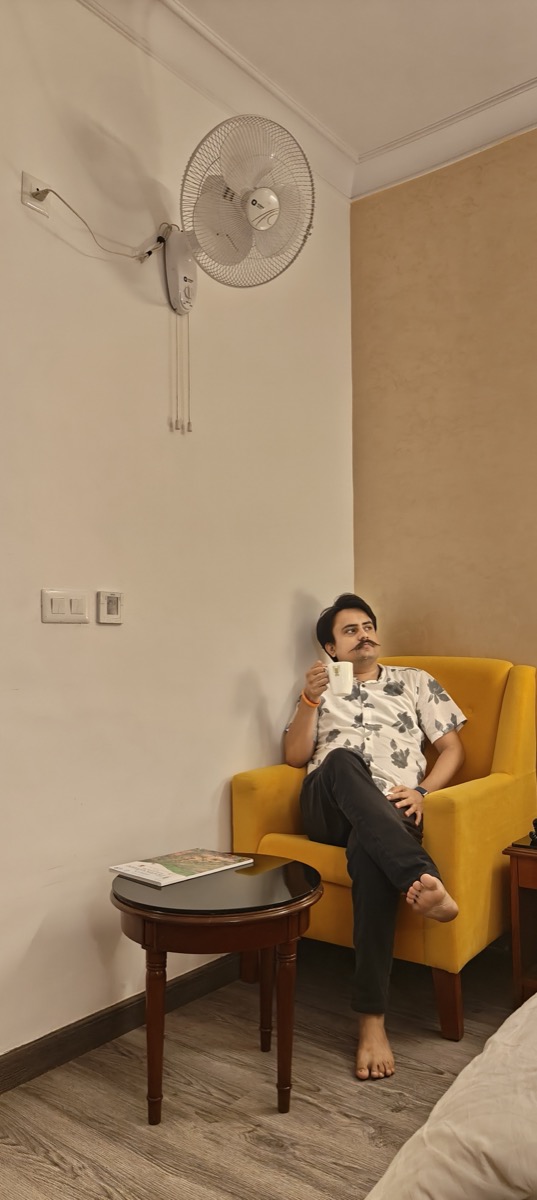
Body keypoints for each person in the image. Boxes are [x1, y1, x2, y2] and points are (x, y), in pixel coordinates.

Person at [284, 593, 465, 1082]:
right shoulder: (319, 691)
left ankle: (371, 1023)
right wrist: (308, 702)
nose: (364, 634)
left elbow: (451, 748)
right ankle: (421, 876)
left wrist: (425, 791)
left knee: (370, 849)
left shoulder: (416, 682)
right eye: (350, 630)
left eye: (368, 625)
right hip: (328, 805)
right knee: (342, 758)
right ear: (331, 648)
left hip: (394, 808)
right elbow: (296, 756)